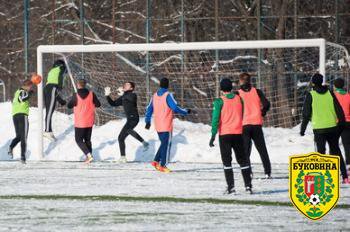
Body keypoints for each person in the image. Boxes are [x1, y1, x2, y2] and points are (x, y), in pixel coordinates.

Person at [300, 73, 349, 183]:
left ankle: (321, 177)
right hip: (332, 127)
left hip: (319, 129)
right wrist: (341, 124)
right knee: (336, 151)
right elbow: (339, 109)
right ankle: (345, 176)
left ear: (313, 82)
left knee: (321, 153)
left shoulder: (311, 95)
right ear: (322, 82)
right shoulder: (330, 93)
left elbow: (306, 114)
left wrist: (302, 129)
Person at [209, 78, 253, 194]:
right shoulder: (239, 99)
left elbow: (215, 119)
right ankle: (248, 186)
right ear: (231, 88)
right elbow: (242, 113)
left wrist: (213, 135)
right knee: (243, 160)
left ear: (222, 89)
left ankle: (231, 187)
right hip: (238, 133)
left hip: (225, 135)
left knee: (227, 162)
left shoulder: (219, 101)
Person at [145, 77, 190, 173]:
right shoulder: (168, 95)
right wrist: (185, 111)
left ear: (160, 84)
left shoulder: (154, 96)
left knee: (163, 143)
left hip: (158, 124)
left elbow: (149, 109)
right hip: (166, 124)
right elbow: (174, 107)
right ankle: (163, 165)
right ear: (168, 85)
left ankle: (155, 161)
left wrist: (147, 121)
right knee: (166, 144)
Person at [238, 72, 272, 178]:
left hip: (245, 125)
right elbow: (267, 104)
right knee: (262, 149)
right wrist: (263, 112)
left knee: (245, 151)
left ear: (241, 81)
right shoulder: (257, 91)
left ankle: (248, 172)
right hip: (256, 124)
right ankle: (267, 172)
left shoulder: (238, 93)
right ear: (250, 80)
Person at [105, 82, 149, 163]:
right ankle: (123, 157)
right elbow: (113, 104)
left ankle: (144, 143)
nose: (125, 85)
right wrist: (107, 95)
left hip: (134, 118)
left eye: (127, 85)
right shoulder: (124, 96)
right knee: (120, 138)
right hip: (129, 119)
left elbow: (130, 98)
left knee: (128, 130)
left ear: (131, 88)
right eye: (125, 84)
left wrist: (123, 94)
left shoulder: (133, 95)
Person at [67, 79, 101, 163]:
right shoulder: (92, 94)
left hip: (80, 121)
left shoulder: (76, 95)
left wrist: (72, 100)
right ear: (85, 85)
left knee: (78, 140)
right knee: (87, 140)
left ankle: (88, 155)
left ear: (78, 85)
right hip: (89, 120)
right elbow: (98, 104)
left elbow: (69, 105)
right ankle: (89, 156)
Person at [8, 79, 34, 164]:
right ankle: (23, 157)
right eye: (30, 87)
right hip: (22, 116)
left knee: (19, 136)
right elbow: (22, 99)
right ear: (28, 86)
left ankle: (11, 147)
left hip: (15, 115)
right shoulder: (23, 92)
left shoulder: (17, 92)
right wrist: (29, 94)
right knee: (24, 137)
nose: (31, 88)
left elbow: (18, 100)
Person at [44, 60, 67, 141]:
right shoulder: (61, 68)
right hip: (52, 88)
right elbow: (61, 75)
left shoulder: (51, 71)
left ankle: (49, 131)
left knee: (49, 111)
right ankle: (47, 131)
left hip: (47, 88)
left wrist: (61, 101)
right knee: (49, 111)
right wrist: (60, 86)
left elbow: (54, 93)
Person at [333, 78, 350, 173]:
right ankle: (348, 165)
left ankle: (334, 164)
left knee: (333, 144)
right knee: (347, 145)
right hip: (347, 122)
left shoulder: (333, 96)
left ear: (335, 86)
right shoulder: (348, 96)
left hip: (336, 122)